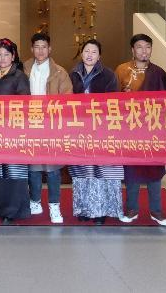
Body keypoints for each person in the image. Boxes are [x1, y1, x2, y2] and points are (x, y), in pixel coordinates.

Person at [115, 34, 166, 226]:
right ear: (132, 50)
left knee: (154, 170)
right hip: (129, 129)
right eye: (139, 47)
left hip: (152, 129)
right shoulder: (121, 70)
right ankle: (131, 209)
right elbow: (112, 99)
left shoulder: (158, 72)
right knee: (131, 171)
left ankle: (156, 211)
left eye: (147, 47)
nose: (144, 51)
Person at [68, 39, 124, 225]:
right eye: (86, 51)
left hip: (102, 129)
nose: (89, 55)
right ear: (81, 53)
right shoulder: (73, 74)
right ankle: (84, 209)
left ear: (99, 56)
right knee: (82, 170)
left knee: (102, 171)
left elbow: (113, 103)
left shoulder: (108, 75)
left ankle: (101, 211)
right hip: (79, 130)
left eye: (94, 52)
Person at [26, 32, 72, 224]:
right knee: (33, 166)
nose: (40, 50)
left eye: (44, 47)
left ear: (50, 49)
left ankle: (54, 205)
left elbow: (68, 99)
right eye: (37, 47)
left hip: (52, 125)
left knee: (53, 168)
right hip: (29, 125)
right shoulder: (24, 68)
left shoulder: (60, 72)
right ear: (32, 49)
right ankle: (35, 201)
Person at [0, 38, 32, 225]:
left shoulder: (19, 76)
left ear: (13, 56)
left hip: (13, 131)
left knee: (13, 171)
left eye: (7, 54)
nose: (3, 58)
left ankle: (13, 211)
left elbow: (24, 105)